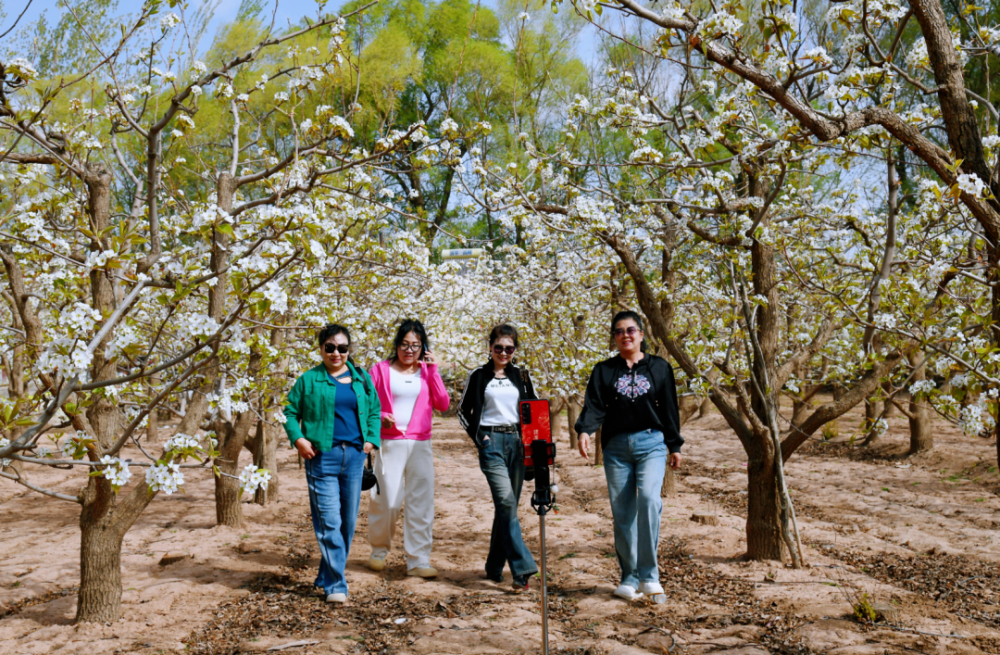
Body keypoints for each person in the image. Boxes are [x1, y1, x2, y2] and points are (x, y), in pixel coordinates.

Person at [575, 310, 683, 603]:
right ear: (614, 337)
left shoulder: (659, 368)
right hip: (616, 448)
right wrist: (585, 431)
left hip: (652, 442)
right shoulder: (604, 371)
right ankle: (629, 577)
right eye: (620, 331)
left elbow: (670, 409)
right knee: (623, 513)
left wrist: (675, 445)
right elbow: (595, 406)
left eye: (631, 330)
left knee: (649, 500)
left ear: (642, 334)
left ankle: (650, 577)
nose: (626, 335)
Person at [283, 324, 381, 604]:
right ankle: (337, 584)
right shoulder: (309, 380)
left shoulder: (361, 378)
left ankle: (327, 574)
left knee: (347, 524)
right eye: (330, 347)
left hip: (353, 458)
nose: (336, 353)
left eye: (342, 348)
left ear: (349, 349)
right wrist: (298, 439)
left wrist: (371, 440)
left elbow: (374, 411)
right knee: (330, 522)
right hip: (321, 458)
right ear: (321, 348)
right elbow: (289, 412)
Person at [459, 323, 539, 591]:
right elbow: (462, 411)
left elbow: (535, 408)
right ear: (490, 347)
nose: (504, 353)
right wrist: (479, 436)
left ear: (515, 350)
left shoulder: (523, 375)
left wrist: (536, 447)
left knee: (507, 508)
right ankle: (522, 567)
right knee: (505, 500)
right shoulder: (479, 375)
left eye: (509, 348)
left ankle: (494, 567)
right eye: (499, 348)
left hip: (517, 444)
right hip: (491, 443)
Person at [367, 319, 450, 578]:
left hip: (420, 443)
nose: (409, 350)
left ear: (423, 347)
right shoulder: (379, 370)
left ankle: (418, 559)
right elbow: (367, 404)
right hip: (389, 442)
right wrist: (380, 415)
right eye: (404, 344)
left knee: (421, 502)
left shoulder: (426, 372)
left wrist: (434, 369)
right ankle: (379, 550)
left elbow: (443, 404)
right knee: (387, 500)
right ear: (397, 344)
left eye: (415, 345)